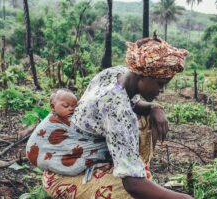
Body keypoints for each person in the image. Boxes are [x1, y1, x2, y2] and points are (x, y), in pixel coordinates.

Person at [26, 36, 192, 199]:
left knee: (145, 118)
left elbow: (133, 104)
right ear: (142, 75)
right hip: (63, 176)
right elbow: (132, 185)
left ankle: (134, 167)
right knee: (131, 195)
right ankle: (127, 172)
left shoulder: (115, 74)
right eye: (160, 84)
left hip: (78, 155)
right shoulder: (117, 110)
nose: (161, 91)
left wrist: (155, 108)